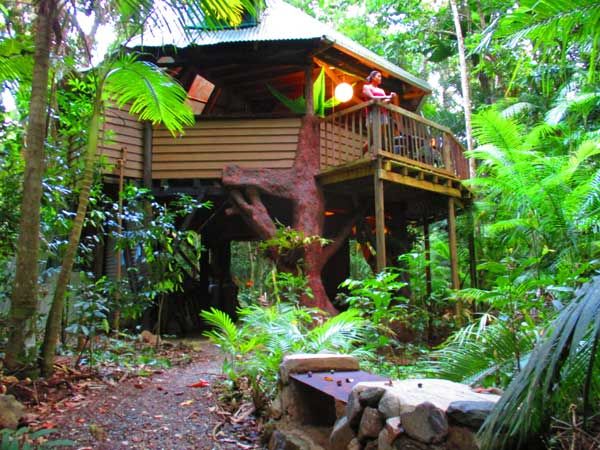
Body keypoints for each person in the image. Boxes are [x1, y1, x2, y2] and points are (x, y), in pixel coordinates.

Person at [362, 71, 396, 153]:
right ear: (373, 77)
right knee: (372, 138)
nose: (380, 78)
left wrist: (391, 98)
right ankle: (362, 153)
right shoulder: (366, 87)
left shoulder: (381, 90)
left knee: (383, 137)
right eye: (379, 76)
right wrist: (388, 96)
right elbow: (372, 97)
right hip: (372, 114)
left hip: (382, 114)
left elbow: (384, 101)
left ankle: (382, 154)